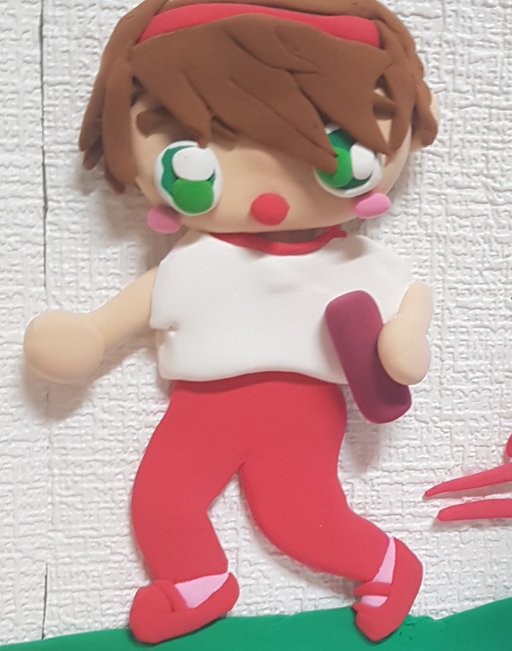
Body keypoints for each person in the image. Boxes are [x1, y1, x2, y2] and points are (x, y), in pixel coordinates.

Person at [24, 0, 437, 643]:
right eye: (195, 168)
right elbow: (133, 309)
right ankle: (197, 582)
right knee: (162, 499)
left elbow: (408, 299)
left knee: (297, 518)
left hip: (302, 406)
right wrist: (90, 335)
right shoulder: (196, 260)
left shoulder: (349, 260)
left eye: (336, 155)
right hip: (201, 404)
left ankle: (386, 566)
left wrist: (405, 337)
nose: (268, 200)